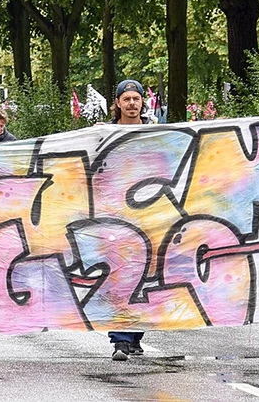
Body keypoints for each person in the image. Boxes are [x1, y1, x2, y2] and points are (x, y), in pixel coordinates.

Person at [108, 79, 148, 361]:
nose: (132, 103)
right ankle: (120, 339)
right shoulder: (106, 133)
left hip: (150, 213)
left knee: (146, 277)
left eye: (136, 98)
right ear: (118, 103)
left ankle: (135, 335)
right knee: (121, 276)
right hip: (116, 214)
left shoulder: (156, 132)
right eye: (127, 99)